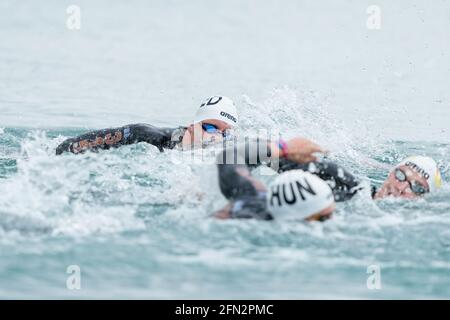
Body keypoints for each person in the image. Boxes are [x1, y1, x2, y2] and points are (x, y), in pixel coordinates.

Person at [214, 137, 359, 221]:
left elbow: (228, 158)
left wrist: (283, 149)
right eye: (329, 214)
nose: (334, 217)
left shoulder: (252, 203)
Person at [56, 96, 238, 155]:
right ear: (192, 126)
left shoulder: (228, 155)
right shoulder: (145, 135)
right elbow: (65, 148)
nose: (217, 137)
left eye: (226, 134)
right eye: (211, 128)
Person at [372, 156, 443, 199]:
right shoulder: (361, 192)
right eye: (400, 175)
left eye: (417, 187)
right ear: (391, 173)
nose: (401, 187)